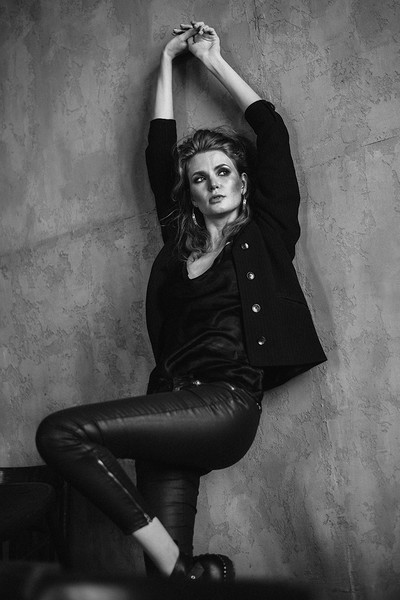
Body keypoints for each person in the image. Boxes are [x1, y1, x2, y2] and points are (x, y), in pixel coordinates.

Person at [36, 21, 326, 584]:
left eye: (224, 172)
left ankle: (185, 569)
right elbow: (159, 153)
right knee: (164, 585)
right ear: (188, 192)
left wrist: (212, 61)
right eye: (199, 178)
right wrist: (167, 62)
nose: (213, 184)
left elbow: (272, 132)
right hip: (168, 402)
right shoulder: (178, 244)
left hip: (224, 405)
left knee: (61, 433)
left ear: (243, 181)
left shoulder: (267, 231)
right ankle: (184, 574)